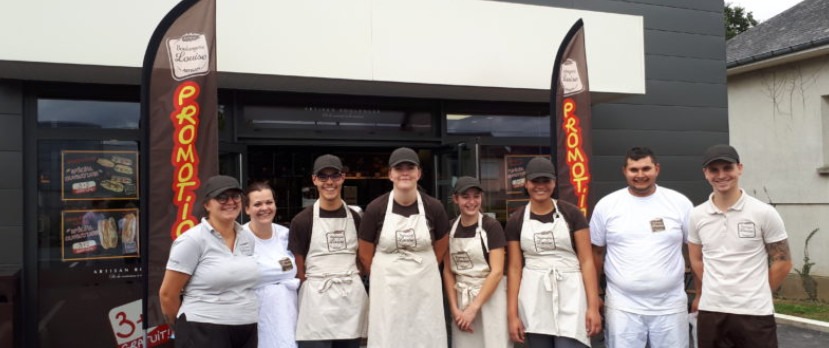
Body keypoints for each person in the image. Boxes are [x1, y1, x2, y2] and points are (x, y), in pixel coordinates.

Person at [688, 144, 792, 348]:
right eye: (714, 170)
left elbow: (783, 262)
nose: (721, 175)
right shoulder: (696, 215)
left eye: (727, 168)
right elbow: (696, 259)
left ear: (740, 169)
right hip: (712, 311)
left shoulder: (763, 213)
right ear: (705, 174)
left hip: (754, 313)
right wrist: (716, 288)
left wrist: (756, 291)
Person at [589, 147, 693, 348]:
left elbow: (694, 252)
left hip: (670, 306)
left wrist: (701, 292)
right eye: (634, 170)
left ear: (657, 169)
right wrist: (594, 296)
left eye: (646, 168)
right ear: (624, 171)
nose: (640, 175)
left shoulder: (680, 203)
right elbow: (595, 254)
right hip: (622, 306)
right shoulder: (607, 205)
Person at [357, 147, 450, 348]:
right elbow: (365, 254)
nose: (405, 173)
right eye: (399, 168)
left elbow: (441, 247)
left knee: (426, 332)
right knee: (389, 333)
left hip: (424, 286)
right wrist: (386, 273)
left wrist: (423, 269)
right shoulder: (376, 209)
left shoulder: (434, 207)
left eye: (410, 167)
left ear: (419, 173)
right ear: (390, 174)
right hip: (388, 287)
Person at [506, 157, 601, 348]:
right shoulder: (516, 220)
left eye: (546, 181)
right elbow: (515, 268)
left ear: (554, 183)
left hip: (571, 294)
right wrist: (512, 315)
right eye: (535, 181)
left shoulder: (572, 214)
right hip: (533, 296)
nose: (540, 186)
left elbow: (587, 261)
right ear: (526, 183)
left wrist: (593, 307)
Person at [159, 175, 259, 348]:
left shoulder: (247, 238)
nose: (230, 202)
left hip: (246, 328)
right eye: (222, 197)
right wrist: (185, 328)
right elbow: (167, 295)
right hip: (203, 329)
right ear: (207, 205)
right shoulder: (192, 240)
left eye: (235, 196)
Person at [289, 154, 368, 348]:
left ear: (343, 178)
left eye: (335, 176)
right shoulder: (301, 221)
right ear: (314, 180)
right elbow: (299, 270)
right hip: (316, 303)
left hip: (350, 303)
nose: (329, 182)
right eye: (323, 177)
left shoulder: (357, 219)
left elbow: (363, 259)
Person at [442, 176, 511, 348]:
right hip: (461, 303)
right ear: (456, 199)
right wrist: (455, 309)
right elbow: (448, 271)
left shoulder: (491, 227)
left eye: (476, 196)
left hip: (491, 300)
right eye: (466, 197)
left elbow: (496, 272)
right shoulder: (449, 229)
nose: (472, 202)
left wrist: (473, 309)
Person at [243, 181, 299, 348]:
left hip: (289, 315)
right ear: (247, 209)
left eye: (269, 202)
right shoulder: (239, 239)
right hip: (258, 318)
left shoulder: (286, 235)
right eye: (257, 204)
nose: (264, 208)